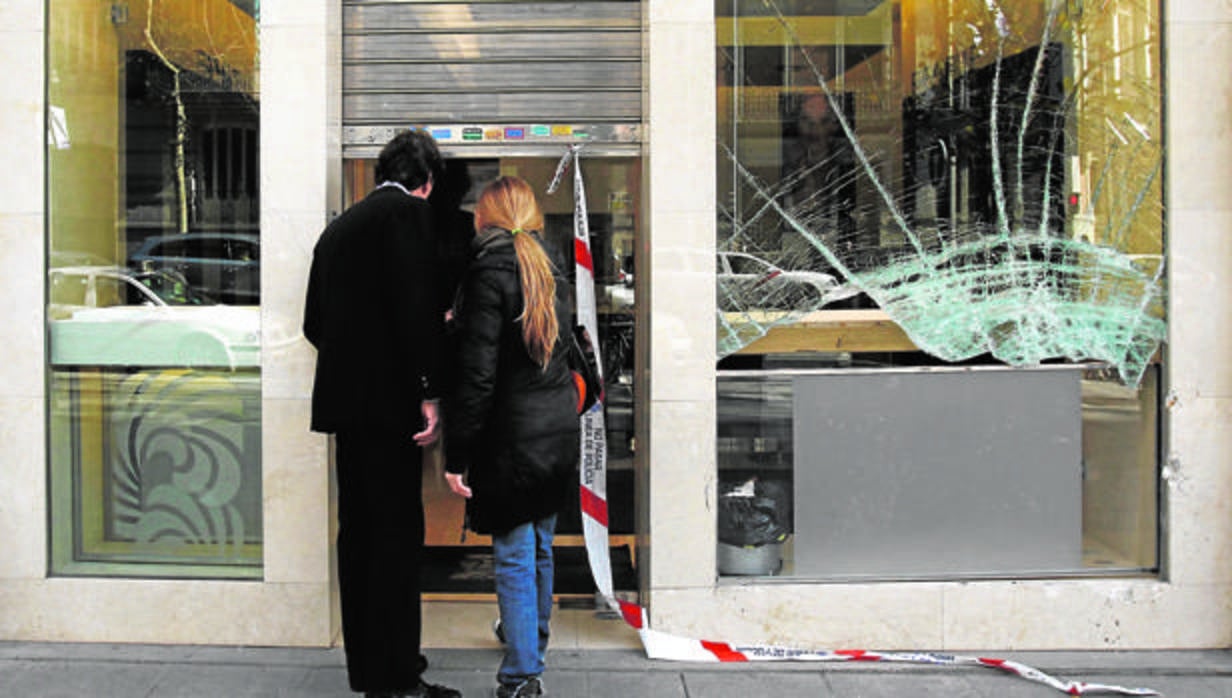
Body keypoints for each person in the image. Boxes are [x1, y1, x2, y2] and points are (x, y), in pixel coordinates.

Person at [303, 129, 461, 698]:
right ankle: (400, 679)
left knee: (360, 538)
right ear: (426, 181)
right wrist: (427, 390)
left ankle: (368, 674)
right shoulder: (407, 218)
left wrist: (355, 365)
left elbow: (313, 324)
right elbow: (415, 312)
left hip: (348, 411)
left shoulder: (339, 229)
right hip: (393, 412)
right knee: (396, 540)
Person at [443, 176, 581, 698]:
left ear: (487, 216)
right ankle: (531, 642)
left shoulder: (486, 274)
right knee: (539, 547)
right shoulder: (552, 270)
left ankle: (523, 675)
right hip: (556, 430)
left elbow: (478, 378)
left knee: (515, 555)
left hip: (512, 439)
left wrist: (457, 455)